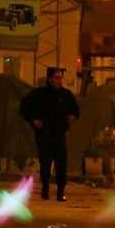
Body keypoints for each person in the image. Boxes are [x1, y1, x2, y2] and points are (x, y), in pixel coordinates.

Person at [19, 67, 80, 202]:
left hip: (59, 134)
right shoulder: (39, 94)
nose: (59, 81)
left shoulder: (65, 95)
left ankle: (60, 192)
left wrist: (71, 117)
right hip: (44, 134)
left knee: (61, 163)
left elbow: (75, 110)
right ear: (50, 79)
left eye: (60, 78)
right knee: (45, 162)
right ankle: (45, 189)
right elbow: (24, 109)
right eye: (57, 78)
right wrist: (33, 120)